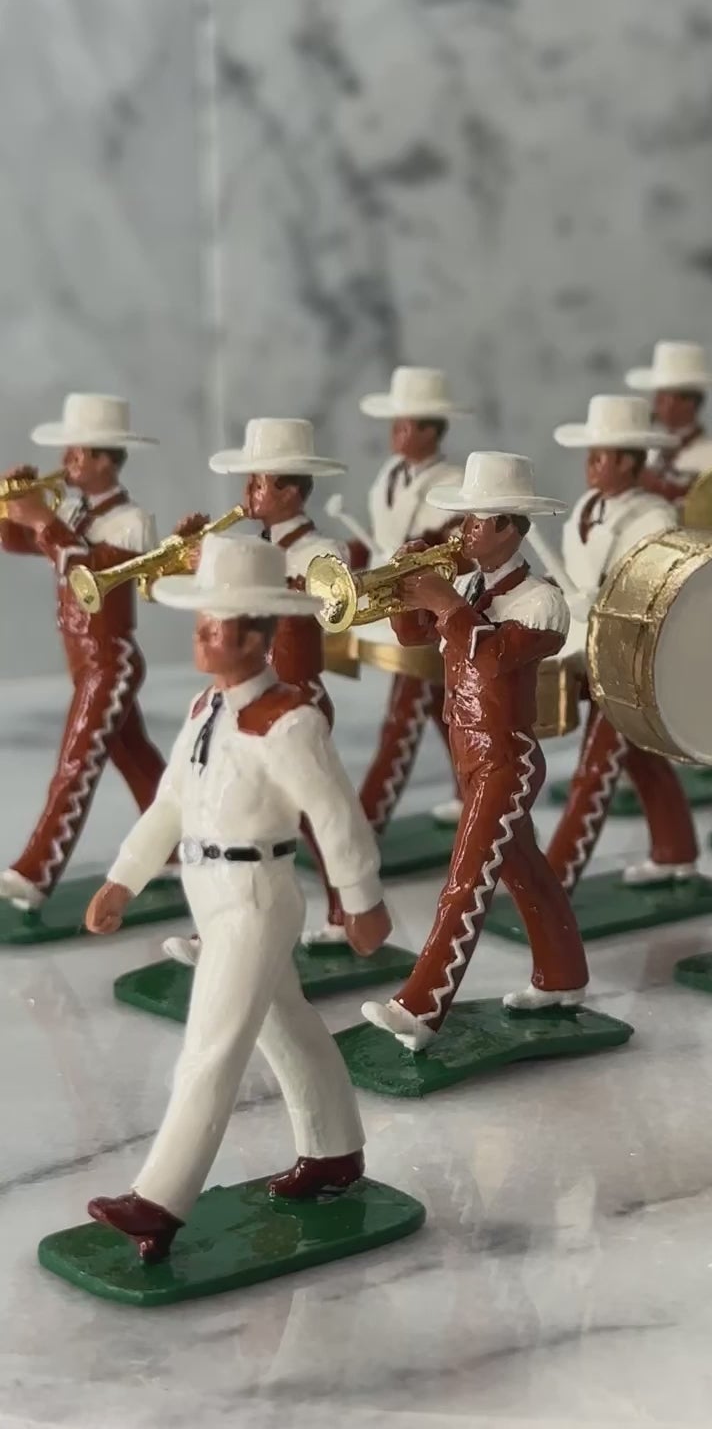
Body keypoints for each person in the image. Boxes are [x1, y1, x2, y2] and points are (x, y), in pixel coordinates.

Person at [84, 534, 390, 1263]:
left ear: (258, 634)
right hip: (208, 888)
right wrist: (123, 877)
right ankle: (335, 1149)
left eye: (219, 624)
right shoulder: (205, 709)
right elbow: (169, 804)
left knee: (210, 1047)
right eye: (201, 621)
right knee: (285, 1025)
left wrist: (362, 898)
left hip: (256, 893)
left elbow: (335, 812)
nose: (203, 634)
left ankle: (159, 1201)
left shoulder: (288, 719)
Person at [360, 452, 589, 1051]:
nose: (461, 534)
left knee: (465, 879)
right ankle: (563, 975)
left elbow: (489, 657)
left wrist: (446, 604)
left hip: (507, 759)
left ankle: (421, 1006)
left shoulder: (541, 600)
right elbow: (415, 638)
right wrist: (408, 587)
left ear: (511, 528)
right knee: (523, 871)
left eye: (476, 523)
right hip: (468, 750)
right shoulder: (463, 585)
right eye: (461, 521)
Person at [164, 418, 352, 963]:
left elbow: (316, 605)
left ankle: (349, 909)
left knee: (317, 817)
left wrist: (227, 566)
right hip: (249, 697)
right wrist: (194, 559)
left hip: (296, 699)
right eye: (248, 483)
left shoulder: (324, 549)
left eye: (259, 484)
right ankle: (218, 931)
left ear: (292, 491)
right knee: (237, 818)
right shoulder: (248, 550)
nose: (247, 496)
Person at [0, 393, 165, 911]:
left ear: (104, 459)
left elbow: (85, 574)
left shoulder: (131, 520)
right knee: (135, 759)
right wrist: (14, 507)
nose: (66, 461)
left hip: (109, 658)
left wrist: (44, 521)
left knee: (76, 761)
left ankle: (34, 873)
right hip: (82, 658)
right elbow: (16, 543)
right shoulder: (71, 508)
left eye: (77, 453)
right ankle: (180, 848)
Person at [546, 395, 699, 890]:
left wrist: (604, 597)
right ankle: (676, 849)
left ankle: (556, 876)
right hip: (583, 641)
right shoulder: (587, 508)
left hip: (626, 656)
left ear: (632, 462)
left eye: (605, 455)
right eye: (590, 453)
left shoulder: (654, 519)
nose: (592, 464)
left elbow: (656, 593)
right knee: (638, 755)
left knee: (596, 767)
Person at [335, 367, 469, 832]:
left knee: (404, 715)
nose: (396, 433)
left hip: (426, 612)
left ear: (432, 431)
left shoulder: (453, 484)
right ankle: (470, 789)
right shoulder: (390, 474)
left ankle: (368, 818)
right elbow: (379, 535)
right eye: (394, 424)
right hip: (392, 603)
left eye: (406, 424)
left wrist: (416, 554)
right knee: (436, 706)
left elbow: (454, 550)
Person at [625, 341, 712, 504]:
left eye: (665, 396)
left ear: (690, 403)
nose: (657, 402)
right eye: (659, 395)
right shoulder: (650, 449)